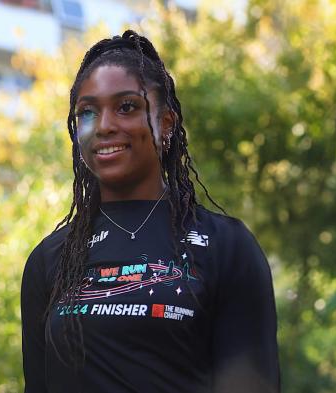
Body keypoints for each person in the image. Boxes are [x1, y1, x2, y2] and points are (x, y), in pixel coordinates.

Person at [21, 30, 279, 393]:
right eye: (88, 112)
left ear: (166, 125)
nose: (105, 125)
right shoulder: (50, 260)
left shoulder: (227, 246)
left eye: (126, 107)